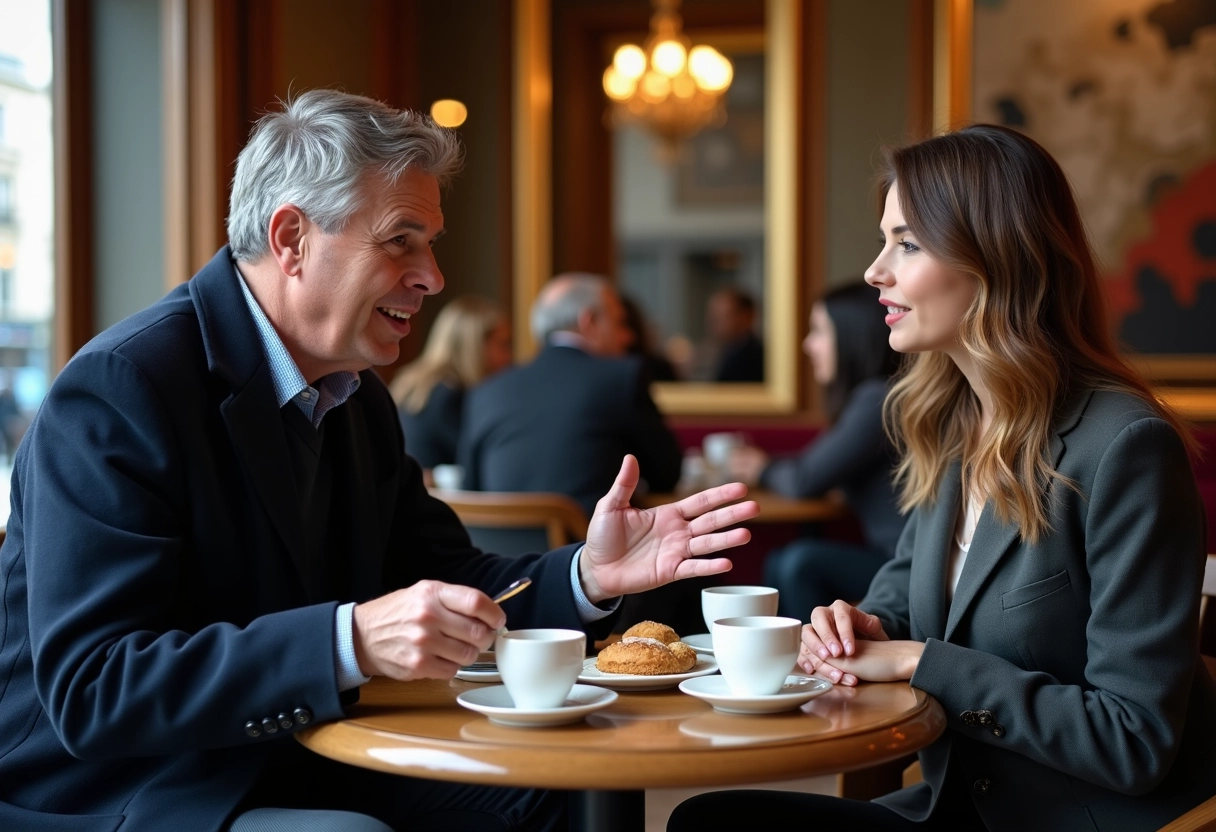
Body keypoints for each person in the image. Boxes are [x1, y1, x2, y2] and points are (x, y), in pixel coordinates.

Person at [0, 90, 760, 832]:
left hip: (292, 750)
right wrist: (351, 640)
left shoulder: (355, 397)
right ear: (292, 239)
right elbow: (93, 690)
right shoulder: (122, 388)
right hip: (125, 787)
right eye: (401, 240)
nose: (432, 276)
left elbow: (451, 579)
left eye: (431, 243)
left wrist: (588, 575)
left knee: (551, 789)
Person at [670, 124, 1216, 830]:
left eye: (907, 244)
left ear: (997, 260)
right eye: (883, 241)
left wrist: (919, 662)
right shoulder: (950, 423)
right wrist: (863, 624)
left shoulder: (1124, 446)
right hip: (954, 806)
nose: (875, 272)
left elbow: (1132, 740)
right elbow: (905, 597)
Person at [728, 281, 903, 621]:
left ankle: (811, 652)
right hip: (891, 557)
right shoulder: (877, 397)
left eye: (819, 331)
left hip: (907, 565)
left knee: (799, 563)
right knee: (782, 560)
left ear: (853, 337)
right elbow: (813, 470)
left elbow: (804, 479)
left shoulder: (878, 399)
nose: (808, 345)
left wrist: (761, 467)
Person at [459, 273, 683, 518]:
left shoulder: (485, 392)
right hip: (588, 541)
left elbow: (471, 489)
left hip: (498, 542)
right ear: (589, 321)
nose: (628, 337)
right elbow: (666, 475)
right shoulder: (622, 377)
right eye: (620, 323)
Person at [390, 294, 511, 475]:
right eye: (504, 345)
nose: (510, 356)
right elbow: (478, 463)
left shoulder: (414, 383)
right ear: (475, 346)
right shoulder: (451, 396)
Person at [707, 287, 764, 382]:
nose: (715, 323)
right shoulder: (724, 352)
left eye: (724, 316)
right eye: (714, 316)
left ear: (747, 316)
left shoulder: (752, 357)